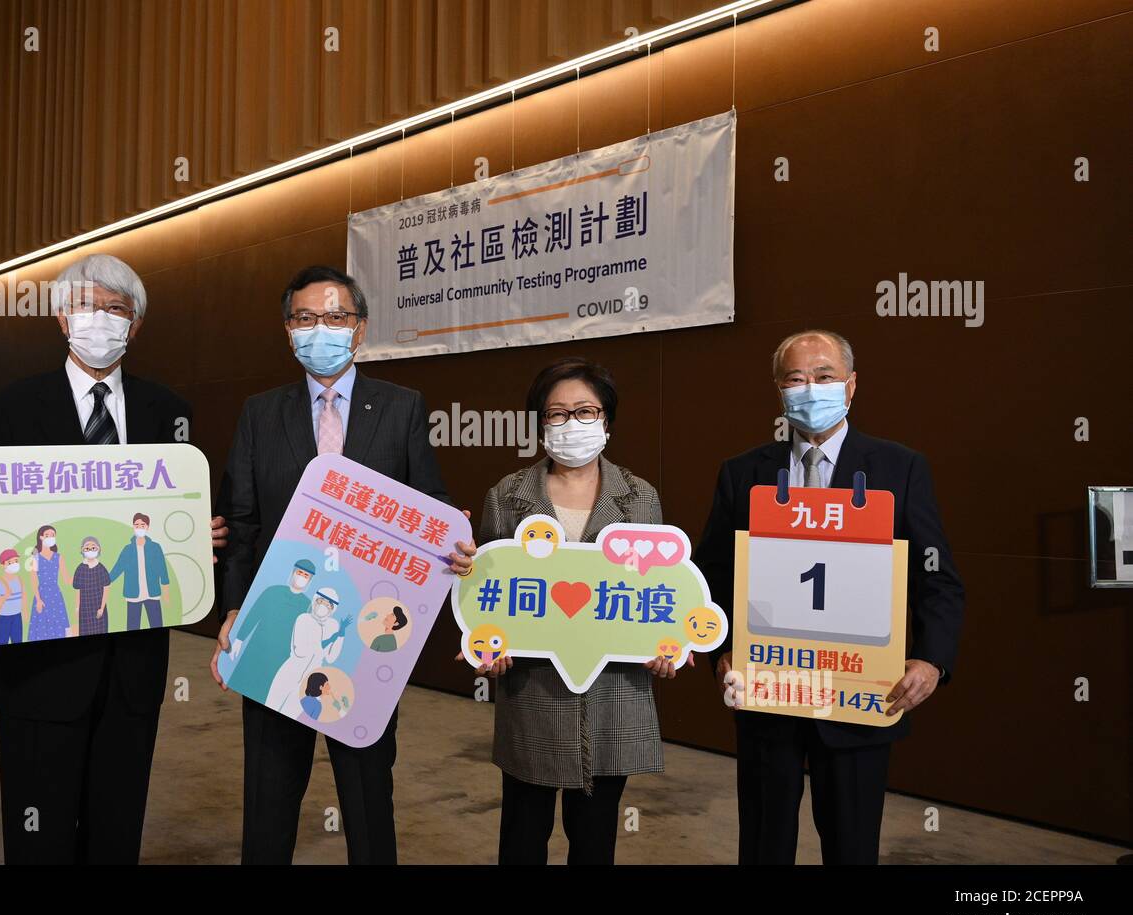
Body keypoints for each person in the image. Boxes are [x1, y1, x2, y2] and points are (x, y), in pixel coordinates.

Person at [0, 253, 228, 864]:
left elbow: (182, 515)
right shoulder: (12, 406)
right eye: (87, 306)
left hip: (132, 666)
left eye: (117, 310)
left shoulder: (171, 412)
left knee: (117, 829)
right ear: (61, 318)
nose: (101, 321)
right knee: (39, 831)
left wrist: (203, 537)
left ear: (135, 325)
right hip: (41, 666)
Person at [209, 264, 475, 865]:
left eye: (335, 317)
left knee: (366, 799)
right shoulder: (259, 412)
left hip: (364, 636)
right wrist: (233, 610)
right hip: (279, 632)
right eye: (305, 319)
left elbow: (428, 509)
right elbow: (242, 525)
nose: (319, 329)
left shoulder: (403, 408)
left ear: (359, 329)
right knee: (269, 801)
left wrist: (450, 539)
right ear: (288, 330)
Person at [696, 329, 965, 865]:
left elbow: (938, 578)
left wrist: (933, 659)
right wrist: (718, 650)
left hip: (861, 697)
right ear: (779, 391)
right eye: (796, 379)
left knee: (851, 846)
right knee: (764, 845)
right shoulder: (743, 472)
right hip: (768, 692)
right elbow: (709, 578)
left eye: (824, 377)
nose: (810, 388)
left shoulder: (899, 468)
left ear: (851, 386)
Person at [468, 357, 686, 866]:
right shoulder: (507, 497)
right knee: (522, 836)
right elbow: (487, 593)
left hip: (613, 694)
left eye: (585, 411)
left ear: (606, 420)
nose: (571, 424)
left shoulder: (640, 498)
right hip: (533, 691)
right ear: (541, 424)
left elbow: (657, 592)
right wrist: (487, 645)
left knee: (595, 841)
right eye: (557, 413)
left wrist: (667, 644)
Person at [265, 587, 351, 717]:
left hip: (311, 679)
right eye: (321, 601)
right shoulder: (304, 619)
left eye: (328, 604)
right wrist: (329, 639)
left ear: (333, 609)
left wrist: (341, 635)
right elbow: (301, 650)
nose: (323, 606)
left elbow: (331, 658)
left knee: (291, 715)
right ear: (315, 600)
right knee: (271, 707)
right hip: (291, 669)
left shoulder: (333, 625)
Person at [108, 513, 169, 630]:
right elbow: (118, 568)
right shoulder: (127, 549)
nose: (139, 527)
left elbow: (162, 569)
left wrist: (166, 591)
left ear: (147, 527)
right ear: (133, 527)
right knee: (132, 626)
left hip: (152, 593)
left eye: (142, 525)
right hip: (133, 594)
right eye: (137, 525)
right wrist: (105, 581)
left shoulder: (155, 547)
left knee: (157, 625)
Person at [27, 525, 71, 640]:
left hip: (56, 595)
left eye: (53, 535)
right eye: (47, 535)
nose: (51, 537)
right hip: (42, 595)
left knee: (58, 626)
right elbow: (33, 580)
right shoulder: (35, 558)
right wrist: (38, 599)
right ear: (41, 537)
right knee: (42, 627)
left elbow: (67, 579)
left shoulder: (59, 557)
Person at [0, 549, 28, 646]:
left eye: (16, 561)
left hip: (17, 616)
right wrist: (5, 596)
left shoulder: (19, 579)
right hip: (4, 617)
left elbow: (24, 596)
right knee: (2, 641)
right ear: (3, 565)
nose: (14, 564)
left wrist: (25, 611)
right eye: (10, 562)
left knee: (18, 640)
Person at [72, 536, 111, 636]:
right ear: (82, 550)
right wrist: (77, 607)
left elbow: (106, 588)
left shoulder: (101, 568)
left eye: (93, 547)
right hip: (84, 608)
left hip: (98, 606)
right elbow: (77, 590)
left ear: (98, 549)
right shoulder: (80, 569)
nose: (90, 550)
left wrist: (102, 608)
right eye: (87, 548)